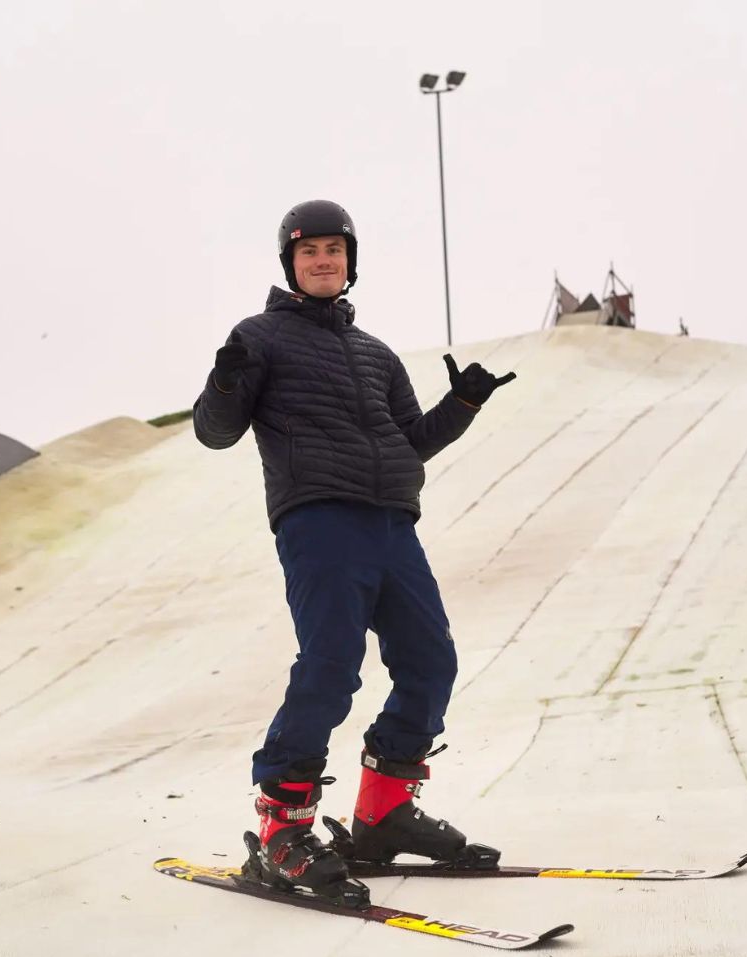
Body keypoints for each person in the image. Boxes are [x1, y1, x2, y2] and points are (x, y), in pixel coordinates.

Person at [192, 199, 516, 900]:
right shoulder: (259, 338)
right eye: (309, 252)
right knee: (332, 666)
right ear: (290, 263)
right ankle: (282, 829)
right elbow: (215, 432)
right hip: (318, 521)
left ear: (350, 261)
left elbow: (412, 441)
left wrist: (461, 404)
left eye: (335, 251)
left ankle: (383, 816)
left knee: (432, 661)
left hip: (392, 524)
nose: (323, 261)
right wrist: (223, 381)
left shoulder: (376, 354)